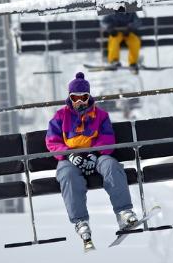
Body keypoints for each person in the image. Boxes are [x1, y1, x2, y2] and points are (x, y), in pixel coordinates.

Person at [46, 72, 138, 245]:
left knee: (111, 166)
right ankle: (80, 221)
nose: (79, 101)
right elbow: (52, 141)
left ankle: (124, 211)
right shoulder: (60, 116)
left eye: (83, 97)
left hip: (97, 155)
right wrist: (69, 154)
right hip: (69, 160)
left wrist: (94, 155)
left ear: (89, 96)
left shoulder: (100, 115)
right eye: (75, 97)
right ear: (70, 97)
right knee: (67, 175)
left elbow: (107, 137)